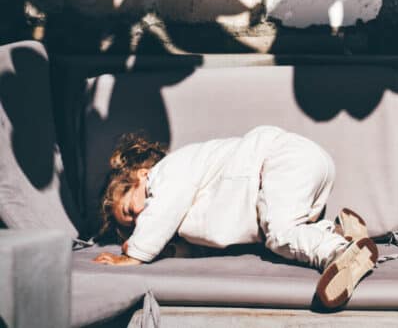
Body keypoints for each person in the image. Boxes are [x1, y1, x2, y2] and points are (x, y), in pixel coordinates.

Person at [92, 125, 378, 309]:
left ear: (141, 175)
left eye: (131, 209)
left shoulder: (165, 175)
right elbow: (200, 245)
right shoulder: (182, 209)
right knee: (286, 227)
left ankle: (340, 253)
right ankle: (340, 232)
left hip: (280, 159)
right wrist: (169, 249)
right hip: (301, 164)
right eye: (132, 225)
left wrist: (137, 253)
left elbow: (164, 210)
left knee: (281, 235)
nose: (140, 218)